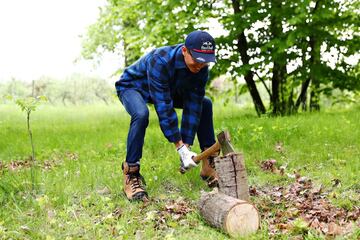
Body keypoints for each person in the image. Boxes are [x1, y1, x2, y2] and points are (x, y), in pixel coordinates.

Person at [115, 30, 219, 201]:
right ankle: (131, 174)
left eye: (205, 62)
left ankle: (208, 164)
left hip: (166, 89)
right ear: (185, 51)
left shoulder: (201, 68)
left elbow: (193, 104)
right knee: (141, 114)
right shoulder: (161, 60)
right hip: (133, 87)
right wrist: (179, 147)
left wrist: (186, 147)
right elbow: (163, 106)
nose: (200, 66)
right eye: (197, 61)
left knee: (204, 103)